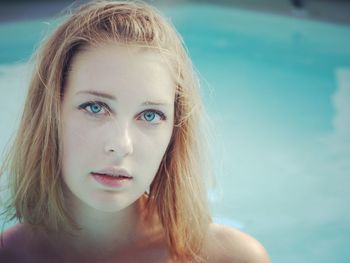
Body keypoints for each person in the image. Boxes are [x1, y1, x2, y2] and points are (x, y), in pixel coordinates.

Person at [0, 1, 270, 262]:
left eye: (150, 115)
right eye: (95, 107)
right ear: (50, 115)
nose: (121, 144)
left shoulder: (231, 258)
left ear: (174, 132)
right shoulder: (10, 254)